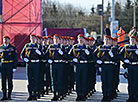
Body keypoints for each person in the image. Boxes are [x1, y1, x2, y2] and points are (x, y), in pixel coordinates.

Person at [94, 35, 118, 101]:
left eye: (108, 40)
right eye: (105, 40)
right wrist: (97, 60)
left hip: (110, 66)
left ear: (110, 41)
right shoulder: (100, 48)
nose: (107, 41)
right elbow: (93, 55)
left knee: (110, 81)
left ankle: (109, 96)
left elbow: (117, 59)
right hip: (103, 66)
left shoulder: (113, 48)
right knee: (104, 81)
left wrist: (112, 56)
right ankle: (104, 95)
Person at [68, 34, 90, 101]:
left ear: (83, 40)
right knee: (78, 80)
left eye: (81, 39)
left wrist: (88, 53)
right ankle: (78, 95)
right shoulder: (74, 47)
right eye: (79, 38)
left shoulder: (86, 47)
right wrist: (73, 59)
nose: (80, 40)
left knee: (83, 80)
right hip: (77, 65)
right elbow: (69, 55)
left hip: (84, 65)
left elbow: (91, 57)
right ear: (77, 39)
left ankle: (83, 95)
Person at [20, 34, 42, 101]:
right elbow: (22, 54)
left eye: (34, 38)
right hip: (29, 64)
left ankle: (34, 94)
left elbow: (43, 56)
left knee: (35, 79)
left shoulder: (38, 46)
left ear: (36, 39)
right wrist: (24, 59)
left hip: (36, 64)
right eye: (31, 38)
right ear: (30, 39)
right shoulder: (27, 46)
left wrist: (40, 53)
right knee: (29, 79)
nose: (33, 39)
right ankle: (30, 94)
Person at [46, 34, 66, 101]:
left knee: (60, 79)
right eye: (55, 39)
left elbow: (67, 56)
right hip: (53, 64)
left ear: (59, 40)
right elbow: (46, 55)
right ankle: (54, 94)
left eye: (57, 39)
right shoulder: (50, 47)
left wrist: (62, 53)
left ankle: (60, 93)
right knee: (53, 79)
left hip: (60, 64)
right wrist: (48, 59)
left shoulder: (62, 47)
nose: (56, 40)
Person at [120, 36, 138, 102]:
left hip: (136, 66)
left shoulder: (137, 48)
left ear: (136, 41)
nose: (132, 41)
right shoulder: (126, 47)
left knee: (136, 83)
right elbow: (120, 55)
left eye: (134, 40)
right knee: (130, 82)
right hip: (130, 66)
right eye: (131, 40)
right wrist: (124, 60)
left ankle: (136, 97)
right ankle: (130, 97)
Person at [0, 35, 18, 100]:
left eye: (6, 39)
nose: (5, 40)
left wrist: (14, 66)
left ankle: (9, 95)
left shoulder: (12, 48)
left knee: (10, 80)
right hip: (3, 65)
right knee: (3, 81)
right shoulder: (1, 47)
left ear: (9, 40)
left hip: (9, 65)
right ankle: (4, 95)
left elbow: (15, 58)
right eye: (4, 39)